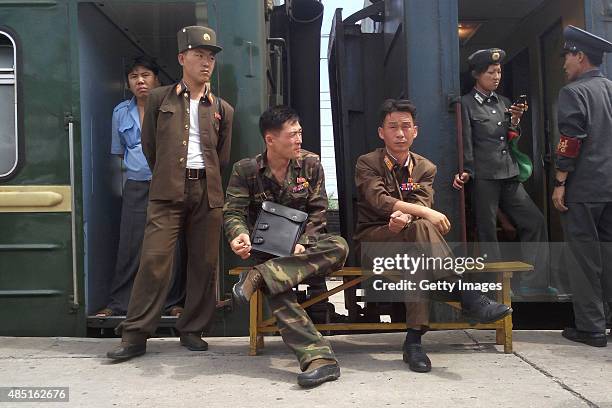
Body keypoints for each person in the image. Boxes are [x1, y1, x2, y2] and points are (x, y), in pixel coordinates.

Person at [355, 99, 511, 373]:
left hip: (412, 241)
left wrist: (410, 216)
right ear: (382, 132)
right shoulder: (367, 163)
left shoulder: (425, 168)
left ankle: (414, 342)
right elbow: (378, 200)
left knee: (417, 254)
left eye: (406, 127)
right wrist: (422, 214)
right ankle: (468, 294)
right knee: (426, 225)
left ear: (416, 131)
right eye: (393, 127)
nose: (400, 133)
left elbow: (421, 202)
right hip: (375, 241)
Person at [107, 26, 234, 360]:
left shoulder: (223, 108)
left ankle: (191, 329)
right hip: (166, 191)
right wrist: (169, 175)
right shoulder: (160, 99)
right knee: (153, 261)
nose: (206, 62)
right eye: (198, 55)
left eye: (210, 57)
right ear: (182, 58)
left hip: (207, 192)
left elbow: (222, 156)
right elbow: (150, 147)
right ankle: (134, 335)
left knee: (203, 264)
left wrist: (204, 180)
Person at [224, 105, 348, 387]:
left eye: (300, 133)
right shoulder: (245, 170)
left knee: (339, 246)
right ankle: (319, 359)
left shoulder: (311, 164)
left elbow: (319, 212)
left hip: (303, 251)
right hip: (266, 250)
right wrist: (238, 235)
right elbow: (233, 212)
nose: (299, 140)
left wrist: (304, 243)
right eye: (292, 135)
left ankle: (259, 275)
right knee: (275, 283)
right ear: (270, 139)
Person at [452, 48, 556, 297]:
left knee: (535, 221)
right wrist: (467, 170)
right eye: (491, 72)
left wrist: (516, 122)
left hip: (508, 173)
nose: (496, 76)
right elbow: (465, 140)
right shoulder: (465, 103)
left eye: (499, 72)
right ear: (477, 75)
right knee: (488, 232)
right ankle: (495, 288)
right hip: (484, 177)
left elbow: (509, 139)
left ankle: (535, 281)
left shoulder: (505, 102)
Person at [96, 56, 184, 318]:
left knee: (171, 246)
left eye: (146, 75)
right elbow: (120, 152)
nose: (140, 81)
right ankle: (120, 304)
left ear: (157, 79)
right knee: (131, 245)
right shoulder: (120, 111)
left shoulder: (173, 106)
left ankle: (172, 303)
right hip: (136, 185)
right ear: (128, 83)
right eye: (134, 77)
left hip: (167, 184)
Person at [552, 25, 612, 347]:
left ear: (580, 56)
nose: (564, 64)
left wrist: (561, 181)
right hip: (610, 188)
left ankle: (590, 327)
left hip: (585, 189)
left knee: (584, 259)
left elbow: (570, 139)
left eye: (567, 57)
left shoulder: (573, 93)